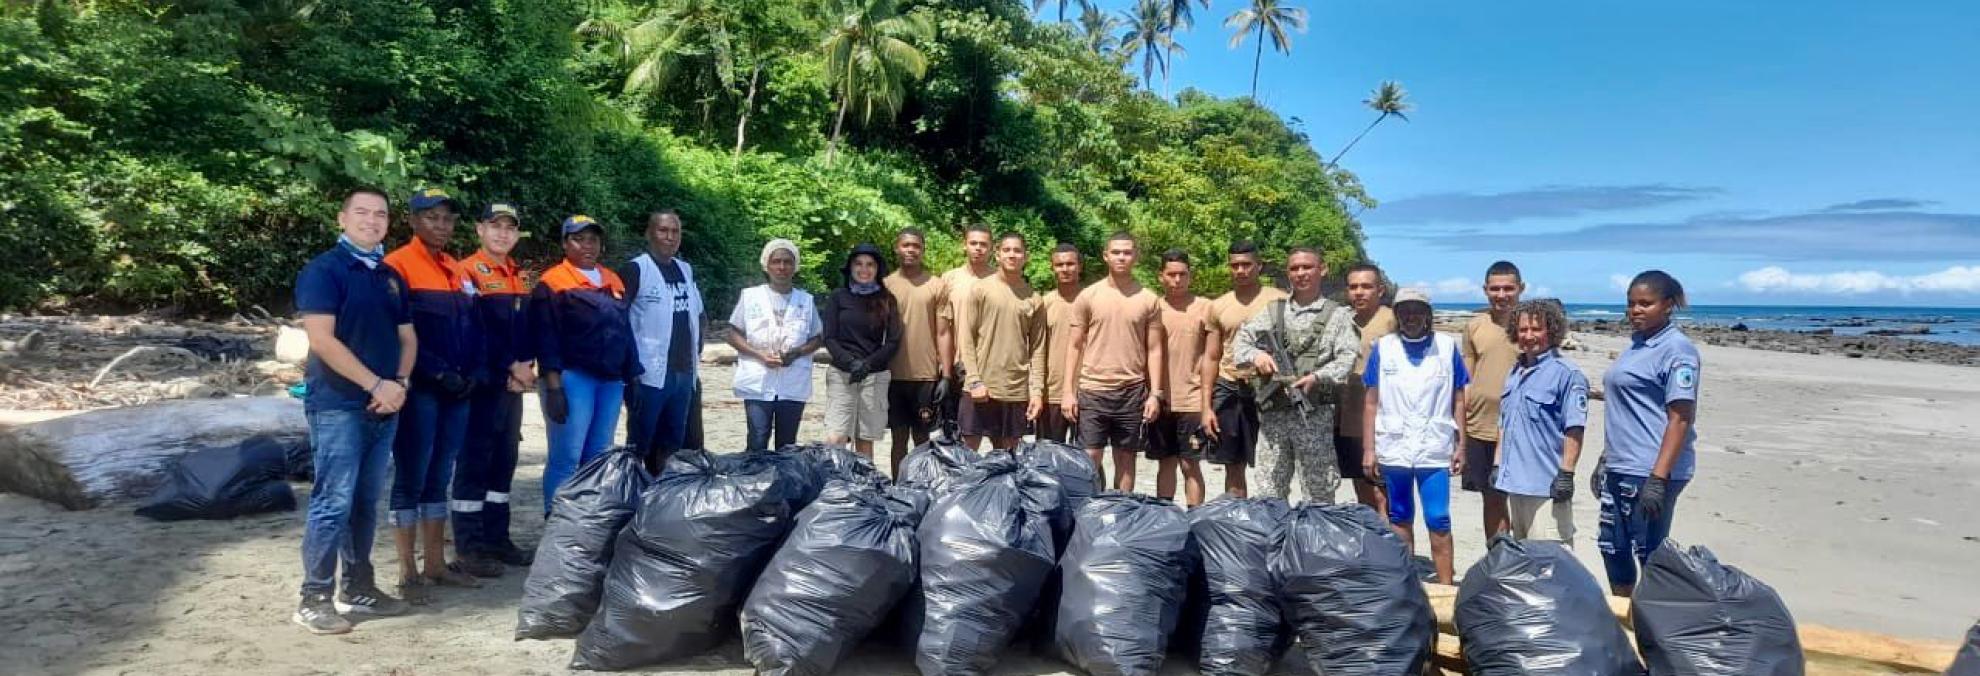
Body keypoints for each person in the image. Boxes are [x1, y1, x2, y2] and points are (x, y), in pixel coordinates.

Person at [292, 188, 415, 634]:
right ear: (341, 219)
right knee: (332, 502)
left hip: (385, 406)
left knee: (365, 502)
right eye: (361, 213)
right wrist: (374, 384)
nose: (371, 220)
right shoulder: (324, 271)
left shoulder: (389, 276)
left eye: (380, 214)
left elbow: (408, 337)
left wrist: (398, 385)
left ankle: (359, 587)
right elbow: (322, 340)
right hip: (338, 405)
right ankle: (314, 597)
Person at [381, 188, 483, 599]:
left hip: (458, 389)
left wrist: (473, 370)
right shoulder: (396, 267)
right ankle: (408, 572)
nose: (440, 225)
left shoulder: (456, 270)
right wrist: (438, 373)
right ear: (412, 221)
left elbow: (471, 328)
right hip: (421, 389)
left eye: (447, 219)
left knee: (440, 475)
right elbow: (399, 335)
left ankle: (437, 564)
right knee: (411, 475)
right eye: (432, 217)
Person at [1597, 270, 1701, 597]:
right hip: (1620, 465)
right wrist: (1605, 459)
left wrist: (1659, 478)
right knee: (1612, 548)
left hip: (1650, 469)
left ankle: (1658, 625)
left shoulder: (1677, 350)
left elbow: (1681, 418)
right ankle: (1625, 616)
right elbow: (1627, 407)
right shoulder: (1636, 346)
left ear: (1668, 305)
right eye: (1631, 304)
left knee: (1649, 553)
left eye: (1646, 303)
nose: (1636, 311)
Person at [1230, 247, 1359, 503]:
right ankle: (1275, 542)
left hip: (1314, 415)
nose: (1300, 274)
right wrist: (1258, 356)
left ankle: (1314, 542)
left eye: (1307, 267)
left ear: (1322, 270)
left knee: (1319, 492)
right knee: (1269, 491)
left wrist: (1318, 376)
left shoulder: (1338, 315)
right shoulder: (1273, 311)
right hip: (1274, 417)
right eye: (1294, 268)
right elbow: (1241, 343)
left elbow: (1347, 359)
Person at [1360, 288, 1470, 585]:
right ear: (1396, 315)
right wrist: (1369, 449)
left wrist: (1462, 444)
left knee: (1438, 519)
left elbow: (1459, 399)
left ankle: (1446, 587)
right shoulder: (1383, 348)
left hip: (1435, 447)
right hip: (1393, 446)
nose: (1411, 316)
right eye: (1405, 310)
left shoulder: (1447, 347)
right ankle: (1406, 585)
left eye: (1417, 310)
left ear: (1427, 315)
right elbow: (1371, 402)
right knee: (1399, 515)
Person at [531, 215, 640, 511]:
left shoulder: (612, 280)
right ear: (566, 243)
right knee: (566, 456)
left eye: (593, 239)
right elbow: (546, 337)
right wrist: (553, 386)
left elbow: (624, 330)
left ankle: (585, 526)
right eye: (579, 239)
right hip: (572, 378)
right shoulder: (552, 283)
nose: (587, 245)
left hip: (610, 381)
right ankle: (556, 525)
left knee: (597, 457)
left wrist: (632, 375)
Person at [451, 200, 535, 575]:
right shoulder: (467, 272)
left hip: (512, 386)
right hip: (483, 384)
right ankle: (469, 548)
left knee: (504, 462)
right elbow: (474, 331)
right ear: (479, 230)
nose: (503, 233)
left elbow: (523, 331)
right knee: (475, 462)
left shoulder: (517, 274)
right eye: (495, 225)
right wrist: (508, 366)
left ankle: (497, 538)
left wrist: (526, 367)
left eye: (510, 227)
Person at [1063, 232, 1165, 491]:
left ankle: (1121, 517)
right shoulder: (1088, 296)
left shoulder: (1148, 299)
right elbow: (1074, 346)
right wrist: (1067, 392)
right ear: (1105, 256)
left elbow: (1154, 349)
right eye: (1116, 252)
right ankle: (1087, 515)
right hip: (1093, 390)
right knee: (1089, 459)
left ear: (1136, 256)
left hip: (1132, 391)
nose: (1122, 257)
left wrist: (1155, 394)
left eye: (1127, 252)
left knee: (1126, 458)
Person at [1494, 299, 1588, 547]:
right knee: (1524, 559)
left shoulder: (1567, 374)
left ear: (1553, 331)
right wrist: (1498, 465)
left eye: (1536, 329)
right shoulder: (1515, 372)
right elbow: (1504, 424)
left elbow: (1574, 428)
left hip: (1546, 487)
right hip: (1516, 485)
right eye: (1523, 329)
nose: (1528, 336)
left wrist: (1566, 474)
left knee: (1552, 564)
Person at [1200, 241, 1287, 497]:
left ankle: (1272, 521)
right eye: (1235, 265)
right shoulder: (1218, 306)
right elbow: (1211, 356)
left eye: (1246, 265)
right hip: (1231, 387)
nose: (1241, 270)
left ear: (1258, 266)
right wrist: (1206, 407)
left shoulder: (1280, 300)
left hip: (1271, 390)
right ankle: (1238, 522)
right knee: (1233, 465)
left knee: (1274, 465)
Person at [622, 210, 705, 469]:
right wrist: (630, 369)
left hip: (683, 372)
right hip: (649, 374)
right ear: (649, 234)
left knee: (672, 444)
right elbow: (619, 319)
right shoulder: (636, 269)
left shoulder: (685, 269)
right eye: (663, 230)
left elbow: (699, 313)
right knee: (641, 442)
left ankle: (661, 498)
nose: (670, 237)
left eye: (675, 231)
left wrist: (698, 345)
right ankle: (634, 497)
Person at [727, 239, 824, 452]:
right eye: (776, 261)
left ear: (795, 266)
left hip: (793, 381)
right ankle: (754, 483)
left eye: (787, 262)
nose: (782, 267)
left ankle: (783, 484)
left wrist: (797, 352)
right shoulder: (750, 296)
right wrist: (759, 354)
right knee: (757, 438)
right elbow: (733, 333)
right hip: (758, 380)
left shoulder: (805, 301)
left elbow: (817, 337)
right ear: (767, 265)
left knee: (787, 444)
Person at [959, 233, 1043, 451]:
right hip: (980, 387)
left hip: (1015, 389)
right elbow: (966, 337)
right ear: (997, 254)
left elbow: (1037, 349)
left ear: (1026, 257)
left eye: (1017, 251)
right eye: (1006, 250)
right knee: (967, 456)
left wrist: (1036, 392)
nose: (1012, 255)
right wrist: (975, 380)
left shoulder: (1033, 298)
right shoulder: (980, 289)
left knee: (1008, 458)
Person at [1461, 260, 1524, 539]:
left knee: (1524, 498)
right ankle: (1499, 557)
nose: (1502, 295)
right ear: (1486, 290)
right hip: (1480, 426)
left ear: (1520, 289)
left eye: (1508, 288)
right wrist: (1460, 428)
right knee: (1492, 497)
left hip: (1521, 427)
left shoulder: (1532, 327)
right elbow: (1466, 379)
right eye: (1495, 289)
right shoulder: (1475, 326)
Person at [882, 229, 953, 474]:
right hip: (893, 374)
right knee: (898, 439)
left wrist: (945, 374)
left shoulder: (936, 285)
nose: (911, 250)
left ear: (922, 250)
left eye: (916, 246)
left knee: (922, 438)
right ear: (897, 248)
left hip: (925, 375)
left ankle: (921, 488)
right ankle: (897, 488)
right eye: (906, 245)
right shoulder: (885, 285)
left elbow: (943, 332)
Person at [821, 243, 902, 457]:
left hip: (874, 375)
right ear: (850, 267)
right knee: (836, 437)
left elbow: (893, 340)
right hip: (842, 373)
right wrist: (850, 362)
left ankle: (863, 487)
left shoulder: (887, 299)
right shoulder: (838, 297)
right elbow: (829, 337)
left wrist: (867, 364)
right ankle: (834, 484)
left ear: (878, 269)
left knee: (865, 440)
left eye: (870, 265)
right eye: (858, 264)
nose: (864, 269)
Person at [1151, 249, 1211, 507]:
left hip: (1192, 399)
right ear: (1161, 277)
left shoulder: (1206, 308)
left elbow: (1213, 355)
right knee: (1165, 463)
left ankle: (1194, 518)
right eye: (1171, 274)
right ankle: (1165, 517)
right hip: (1161, 400)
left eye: (1182, 274)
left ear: (1190, 276)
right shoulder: (1153, 307)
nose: (1177, 279)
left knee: (1190, 464)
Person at [1337, 263, 1396, 511]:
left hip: (1383, 415)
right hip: (1347, 412)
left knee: (1383, 489)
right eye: (1353, 287)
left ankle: (1391, 541)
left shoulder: (1392, 321)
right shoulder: (1341, 320)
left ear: (1380, 290)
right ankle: (1370, 538)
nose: (1359, 292)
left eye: (1366, 286)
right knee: (1360, 483)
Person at [1028, 243, 1083, 444]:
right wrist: (1037, 390)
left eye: (1070, 264)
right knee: (1048, 457)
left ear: (1080, 266)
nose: (1065, 269)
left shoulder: (1091, 301)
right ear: (1052, 268)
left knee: (1087, 460)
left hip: (1087, 391)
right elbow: (1037, 350)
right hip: (1051, 393)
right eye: (1059, 265)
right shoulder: (1044, 303)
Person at [942, 225, 995, 431]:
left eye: (984, 244)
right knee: (956, 431)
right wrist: (942, 362)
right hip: (956, 361)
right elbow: (941, 325)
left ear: (991, 248)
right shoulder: (949, 279)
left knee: (994, 433)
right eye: (973, 243)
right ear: (964, 245)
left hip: (988, 363)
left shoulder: (1000, 280)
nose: (978, 248)